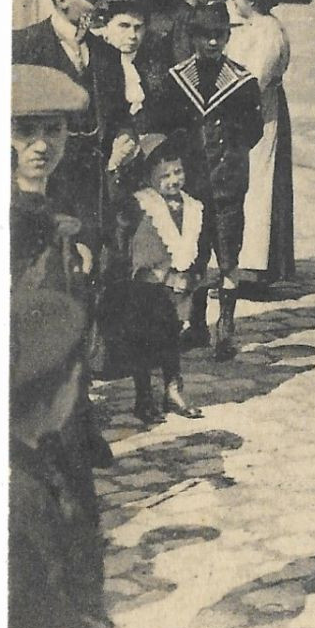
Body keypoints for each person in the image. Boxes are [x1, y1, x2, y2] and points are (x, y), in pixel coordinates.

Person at [9, 65, 113, 628]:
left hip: (65, 412)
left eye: (54, 130)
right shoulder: (12, 220)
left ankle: (84, 612)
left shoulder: (60, 214)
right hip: (17, 415)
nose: (41, 145)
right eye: (24, 130)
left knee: (77, 519)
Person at [141, 2, 264, 359]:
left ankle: (225, 327)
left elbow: (252, 131)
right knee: (191, 257)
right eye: (204, 36)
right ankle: (196, 325)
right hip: (190, 187)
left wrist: (228, 160)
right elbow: (160, 124)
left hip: (227, 186)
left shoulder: (242, 82)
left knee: (228, 257)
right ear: (192, 37)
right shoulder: (176, 80)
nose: (212, 43)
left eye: (219, 35)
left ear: (228, 37)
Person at [14, 0, 136, 252]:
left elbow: (120, 113)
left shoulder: (107, 54)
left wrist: (125, 135)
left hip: (95, 190)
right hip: (44, 183)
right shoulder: (23, 47)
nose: (99, 5)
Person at [101, 134, 206, 424]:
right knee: (143, 342)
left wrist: (192, 275)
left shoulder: (191, 206)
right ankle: (143, 396)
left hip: (177, 288)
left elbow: (195, 245)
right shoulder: (140, 204)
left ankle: (173, 391)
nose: (173, 180)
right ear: (148, 177)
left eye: (178, 172)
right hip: (146, 290)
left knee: (172, 339)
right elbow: (115, 206)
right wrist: (114, 170)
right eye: (164, 175)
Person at [227, 0, 297, 283]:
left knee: (259, 181)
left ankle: (257, 266)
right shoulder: (252, 27)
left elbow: (256, 78)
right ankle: (245, 259)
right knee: (244, 180)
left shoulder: (269, 32)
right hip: (244, 109)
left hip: (260, 110)